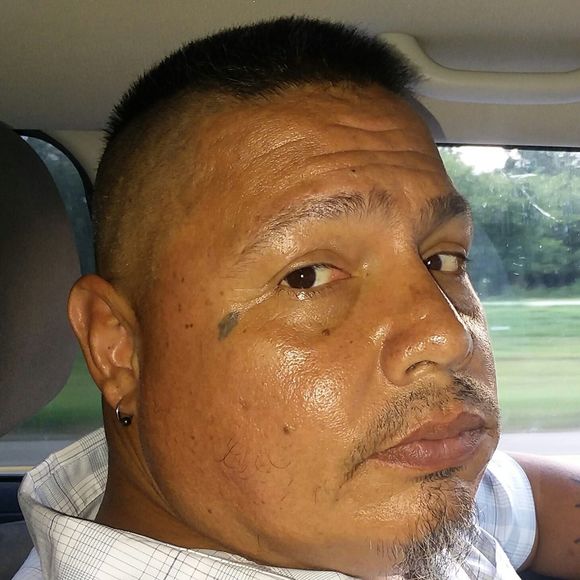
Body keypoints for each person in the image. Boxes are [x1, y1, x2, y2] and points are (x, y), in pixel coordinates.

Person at [15, 17, 579, 580]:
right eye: (307, 277)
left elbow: (531, 504)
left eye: (443, 260)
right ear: (118, 348)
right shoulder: (319, 489)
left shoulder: (364, 486)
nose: (448, 335)